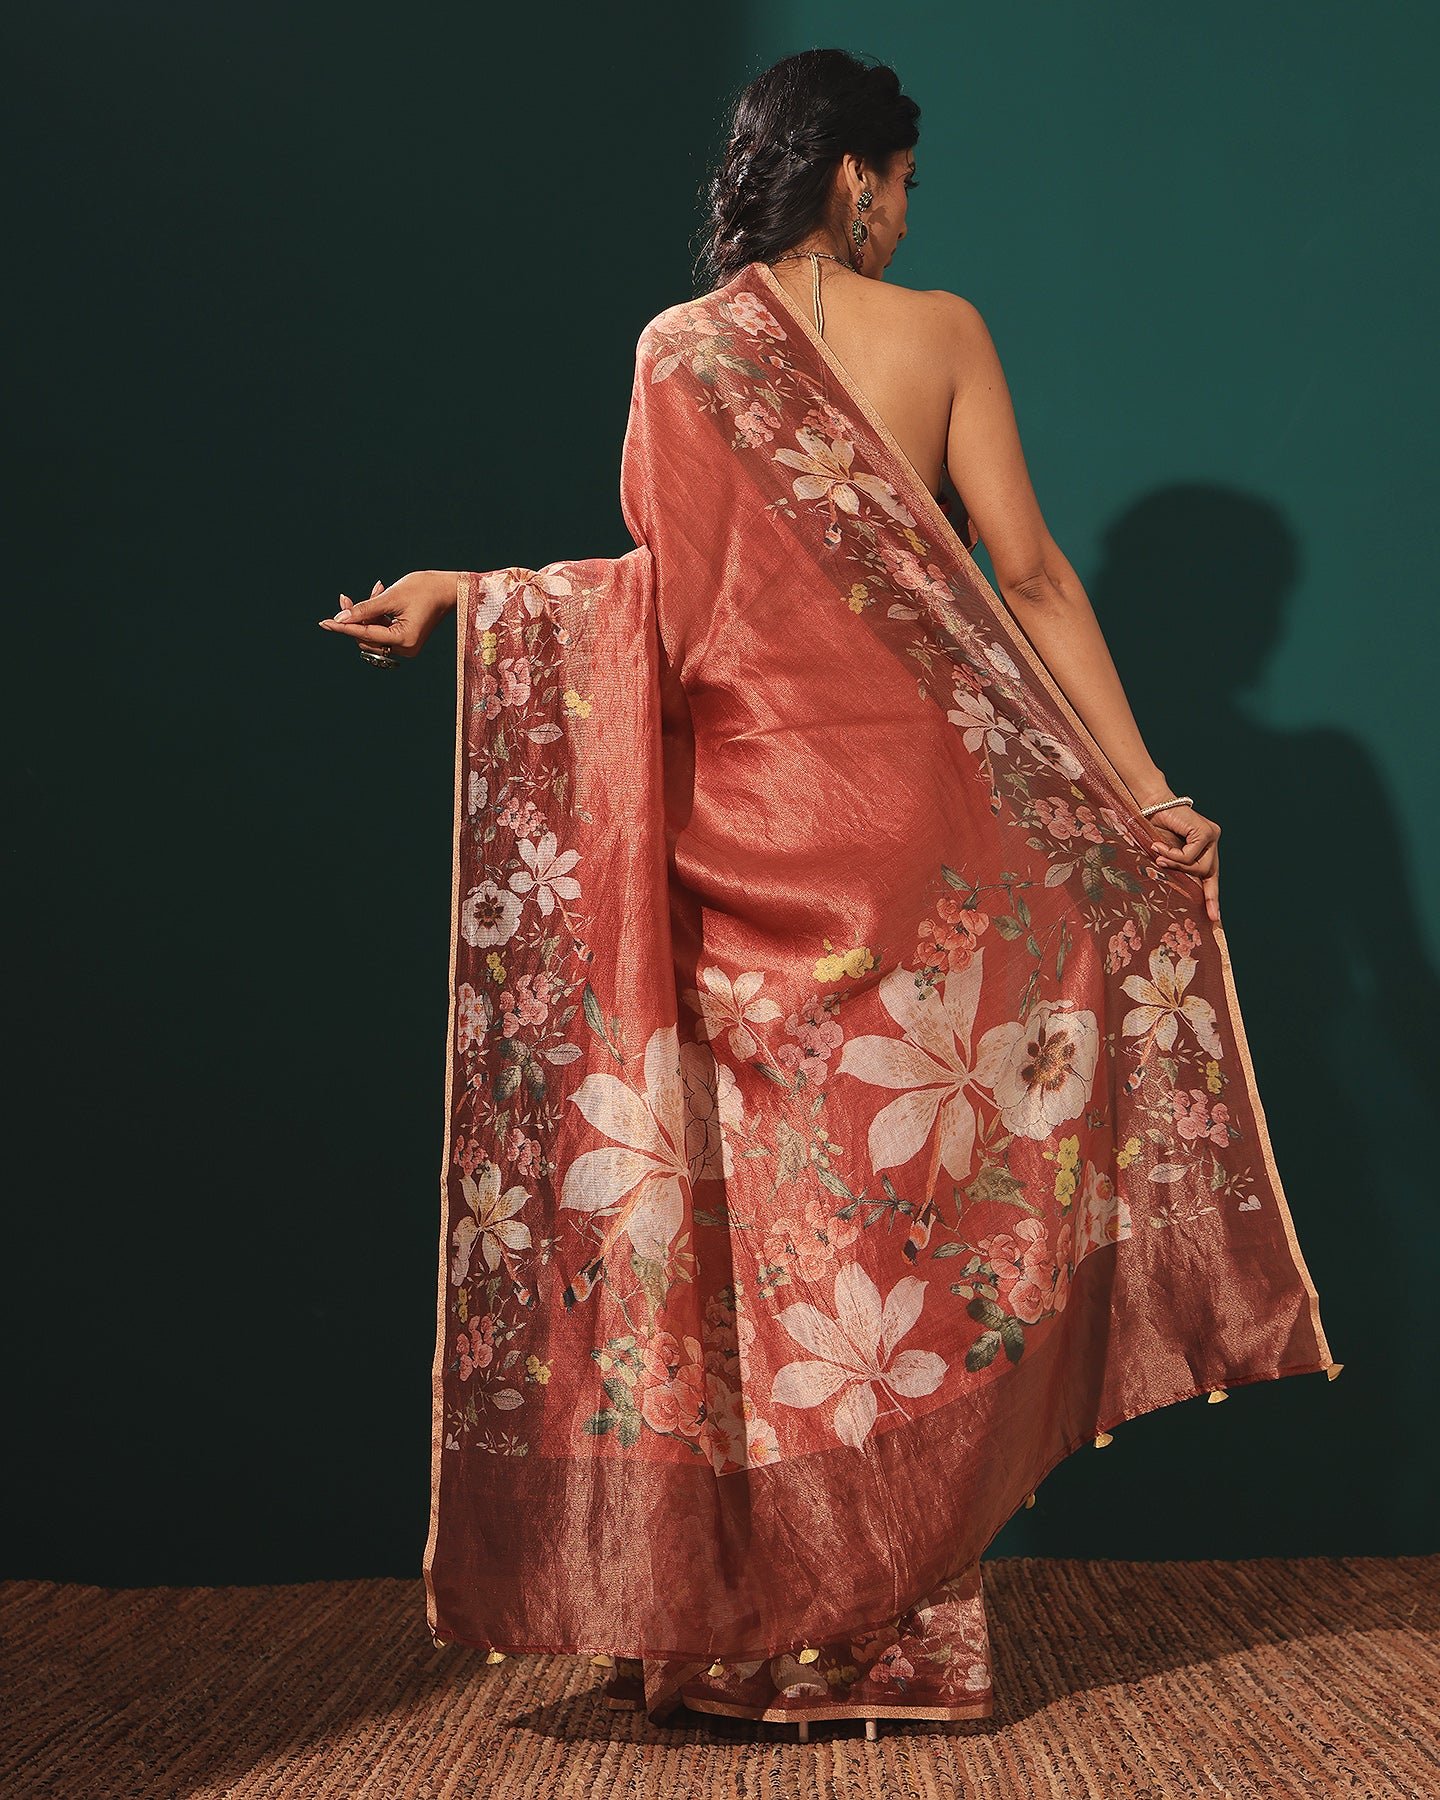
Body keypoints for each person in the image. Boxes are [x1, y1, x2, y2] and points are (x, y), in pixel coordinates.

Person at [320, 48, 1339, 1737]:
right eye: (907, 185)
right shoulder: (943, 335)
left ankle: (751, 1636)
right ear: (857, 174)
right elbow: (1031, 577)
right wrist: (1149, 794)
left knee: (784, 1241)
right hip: (927, 846)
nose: (910, 218)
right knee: (905, 1243)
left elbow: (664, 604)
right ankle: (891, 1639)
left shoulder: (679, 347)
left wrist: (474, 598)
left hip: (744, 831)